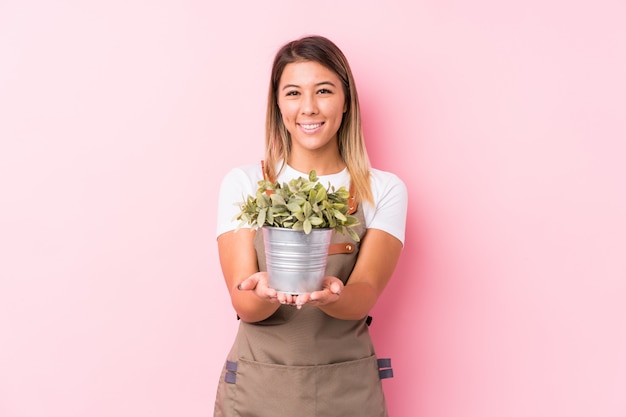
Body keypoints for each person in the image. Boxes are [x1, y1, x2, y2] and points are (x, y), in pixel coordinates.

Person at [213, 35, 408, 417]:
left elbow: (364, 295)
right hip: (258, 389)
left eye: (323, 91)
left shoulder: (383, 190)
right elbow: (244, 304)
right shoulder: (245, 183)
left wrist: (332, 294)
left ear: (346, 100)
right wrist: (265, 290)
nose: (309, 108)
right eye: (293, 93)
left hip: (346, 392)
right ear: (278, 105)